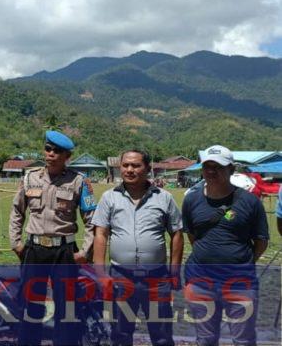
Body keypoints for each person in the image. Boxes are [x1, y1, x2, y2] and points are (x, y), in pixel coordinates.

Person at [8, 130, 97, 346]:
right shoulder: (30, 178)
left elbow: (92, 219)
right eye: (48, 149)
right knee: (30, 303)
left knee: (66, 307)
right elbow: (17, 212)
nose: (51, 154)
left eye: (57, 151)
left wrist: (85, 251)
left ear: (67, 157)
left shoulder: (79, 182)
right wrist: (16, 243)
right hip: (34, 249)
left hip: (64, 251)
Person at [92, 149, 183, 346]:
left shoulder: (164, 198)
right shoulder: (109, 197)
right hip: (121, 277)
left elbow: (176, 233)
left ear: (147, 168)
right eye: (125, 165)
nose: (130, 169)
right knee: (121, 333)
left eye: (136, 165)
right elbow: (100, 234)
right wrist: (100, 273)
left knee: (162, 335)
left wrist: (174, 271)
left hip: (157, 278)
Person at [182, 145, 268, 346]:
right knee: (205, 339)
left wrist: (240, 261)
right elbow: (193, 237)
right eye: (207, 166)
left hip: (240, 282)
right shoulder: (191, 200)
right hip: (200, 281)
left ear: (231, 169)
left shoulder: (250, 202)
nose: (211, 171)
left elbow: (261, 241)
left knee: (243, 339)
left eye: (218, 167)